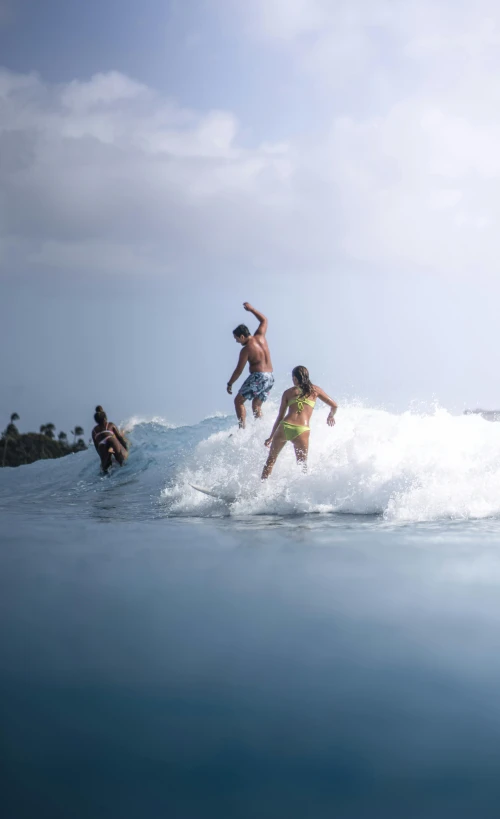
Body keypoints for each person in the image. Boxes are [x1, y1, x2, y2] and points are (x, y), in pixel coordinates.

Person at [261, 365, 337, 480]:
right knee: (302, 466)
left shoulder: (288, 392)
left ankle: (261, 489)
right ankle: (301, 492)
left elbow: (280, 416)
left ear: (295, 379)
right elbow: (334, 405)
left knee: (271, 460)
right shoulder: (315, 390)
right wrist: (330, 416)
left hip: (285, 427)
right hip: (302, 430)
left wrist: (271, 437)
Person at [226, 302, 274, 428]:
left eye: (237, 338)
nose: (236, 341)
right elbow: (264, 320)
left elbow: (238, 370)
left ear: (242, 336)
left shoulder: (246, 349)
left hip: (259, 377)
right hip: (270, 377)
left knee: (238, 401)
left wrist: (230, 383)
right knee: (256, 405)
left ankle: (242, 429)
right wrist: (251, 309)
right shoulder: (261, 336)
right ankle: (261, 429)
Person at [92, 409, 129, 473]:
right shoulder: (110, 424)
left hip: (101, 444)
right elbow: (119, 438)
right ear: (104, 418)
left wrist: (102, 458)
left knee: (105, 468)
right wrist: (125, 447)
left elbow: (96, 446)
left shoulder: (94, 431)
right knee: (121, 461)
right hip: (110, 439)